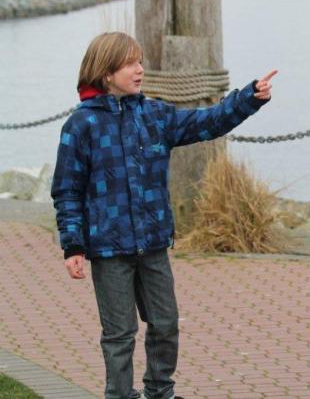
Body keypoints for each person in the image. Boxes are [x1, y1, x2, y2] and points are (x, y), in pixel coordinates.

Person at [51, 32, 277, 399]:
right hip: (109, 250)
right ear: (106, 72)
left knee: (165, 324)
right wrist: (72, 245)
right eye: (130, 63)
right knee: (120, 333)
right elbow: (67, 190)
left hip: (153, 244)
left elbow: (207, 122)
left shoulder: (155, 115)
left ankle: (160, 391)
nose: (140, 69)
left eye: (140, 62)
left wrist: (248, 98)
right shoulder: (81, 125)